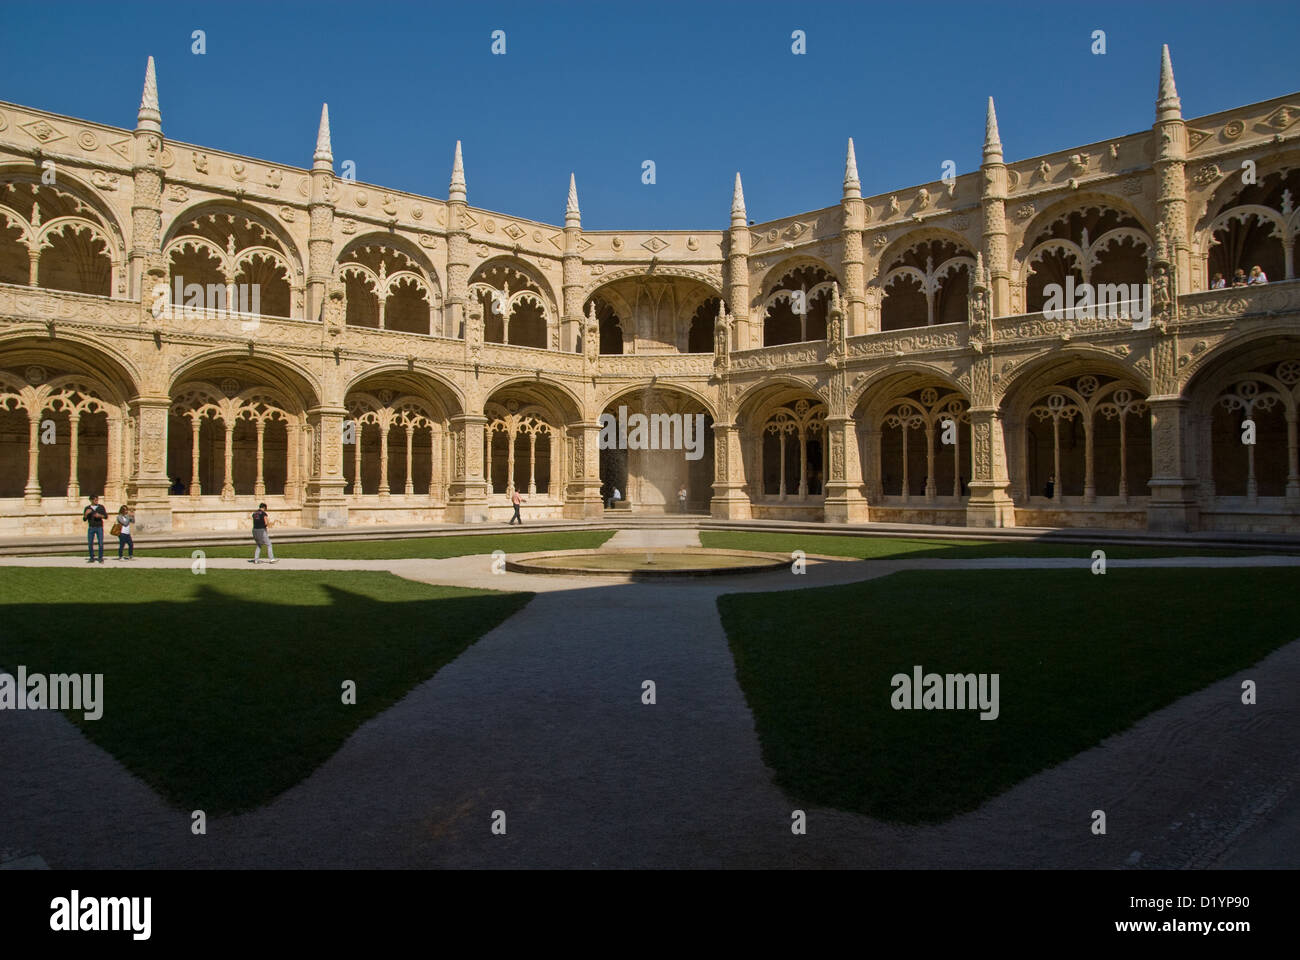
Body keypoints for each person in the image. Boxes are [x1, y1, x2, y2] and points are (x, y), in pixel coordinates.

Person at [83, 494, 108, 563]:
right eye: (95, 500)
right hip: (91, 527)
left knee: (100, 543)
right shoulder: (87, 508)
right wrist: (86, 514)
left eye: (97, 500)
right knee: (90, 543)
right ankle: (91, 558)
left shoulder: (101, 507)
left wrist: (100, 516)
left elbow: (106, 516)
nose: (97, 501)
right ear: (91, 500)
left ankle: (100, 558)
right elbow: (84, 519)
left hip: (99, 527)